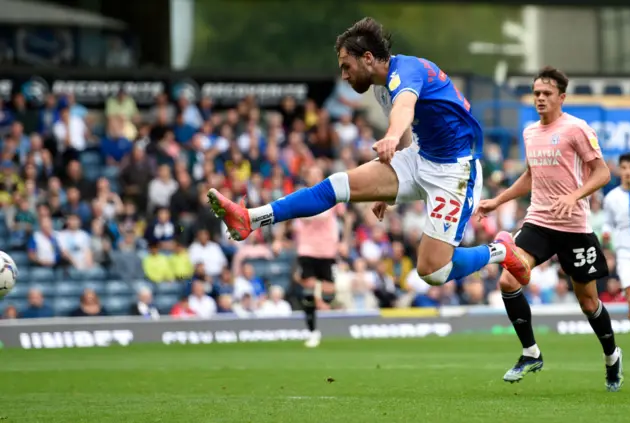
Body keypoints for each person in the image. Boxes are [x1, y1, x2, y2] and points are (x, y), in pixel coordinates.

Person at [207, 17, 530, 296]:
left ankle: (500, 250)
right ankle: (251, 218)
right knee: (334, 186)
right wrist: (391, 186)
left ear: (368, 58)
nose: (344, 76)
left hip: (455, 172)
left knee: (433, 272)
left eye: (346, 67)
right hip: (420, 157)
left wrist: (389, 137)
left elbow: (404, 107)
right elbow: (408, 128)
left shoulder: (407, 72)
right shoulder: (381, 85)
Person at [477, 66, 623, 392]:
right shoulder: (530, 133)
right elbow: (530, 177)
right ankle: (531, 352)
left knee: (588, 303)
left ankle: (612, 356)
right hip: (539, 221)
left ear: (561, 97)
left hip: (574, 227)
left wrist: (574, 196)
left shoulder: (576, 129)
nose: (540, 98)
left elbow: (601, 173)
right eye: (537, 93)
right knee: (508, 279)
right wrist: (496, 201)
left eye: (547, 94)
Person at [293, 165, 344, 348]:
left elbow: (345, 216)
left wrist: (344, 240)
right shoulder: (303, 195)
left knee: (328, 295)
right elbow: (301, 217)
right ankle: (312, 331)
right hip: (307, 248)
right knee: (308, 291)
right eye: (311, 174)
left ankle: (324, 307)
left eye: (317, 173)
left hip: (327, 250)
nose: (314, 177)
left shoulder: (331, 193)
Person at [601, 152, 630, 359]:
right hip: (625, 255)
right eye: (623, 168)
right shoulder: (612, 198)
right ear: (619, 171)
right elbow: (608, 222)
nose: (627, 172)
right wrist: (606, 233)